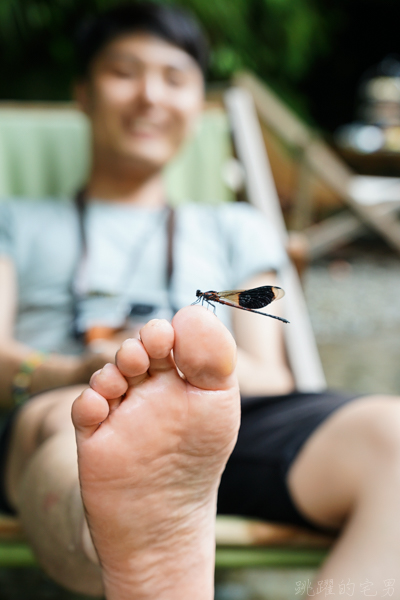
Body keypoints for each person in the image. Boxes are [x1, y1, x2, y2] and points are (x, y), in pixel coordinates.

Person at [1, 4, 400, 599]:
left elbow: (268, 370)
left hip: (230, 417)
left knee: (393, 436)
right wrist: (72, 370)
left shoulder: (235, 228)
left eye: (175, 77)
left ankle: (143, 519)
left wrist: (183, 374)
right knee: (85, 435)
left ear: (196, 105)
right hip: (71, 401)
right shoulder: (17, 221)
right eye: (125, 72)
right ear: (83, 94)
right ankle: (129, 533)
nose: (150, 97)